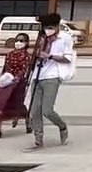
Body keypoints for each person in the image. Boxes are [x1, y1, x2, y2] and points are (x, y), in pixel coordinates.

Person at [25, 13, 74, 151]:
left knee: (47, 110)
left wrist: (50, 56)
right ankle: (38, 140)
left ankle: (62, 126)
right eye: (46, 27)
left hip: (52, 77)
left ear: (57, 26)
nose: (48, 30)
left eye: (51, 27)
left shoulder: (65, 38)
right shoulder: (42, 38)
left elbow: (68, 58)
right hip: (38, 76)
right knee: (35, 110)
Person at [0, 34, 33, 140]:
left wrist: (17, 78)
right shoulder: (9, 55)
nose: (18, 43)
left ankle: (27, 119)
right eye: (17, 40)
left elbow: (24, 70)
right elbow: (4, 69)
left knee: (14, 101)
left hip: (18, 82)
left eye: (21, 41)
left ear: (26, 43)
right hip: (5, 80)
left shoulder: (26, 56)